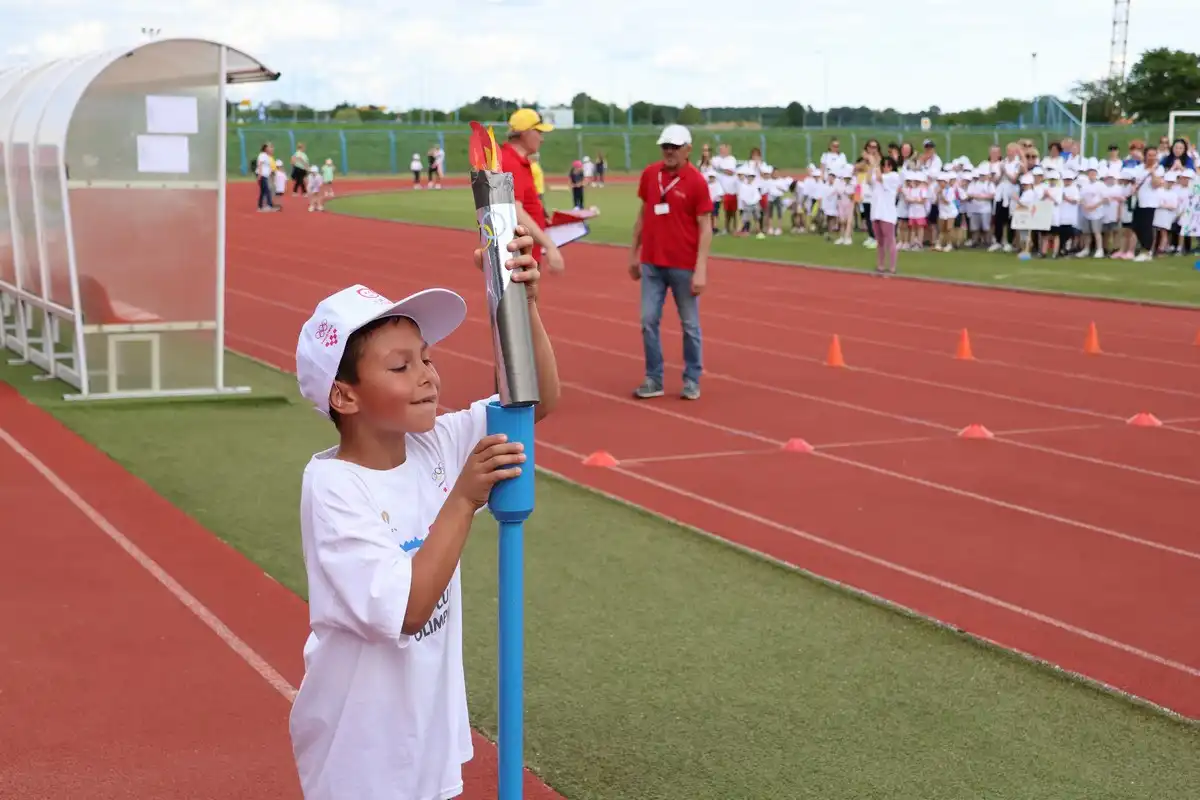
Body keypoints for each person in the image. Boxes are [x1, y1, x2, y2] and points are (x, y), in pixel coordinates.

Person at [288, 227, 560, 800]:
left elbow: (533, 402)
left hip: (426, 737)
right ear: (344, 396)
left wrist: (523, 307)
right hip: (361, 753)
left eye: (427, 359)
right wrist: (462, 498)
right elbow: (408, 610)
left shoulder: (432, 444)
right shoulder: (334, 487)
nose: (428, 376)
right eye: (401, 366)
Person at [628, 124, 713, 401]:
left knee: (690, 325)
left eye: (675, 147)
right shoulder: (651, 174)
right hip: (652, 262)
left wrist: (701, 268)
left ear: (688, 149)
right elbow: (642, 214)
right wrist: (633, 253)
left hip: (683, 265)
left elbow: (705, 227)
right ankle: (654, 378)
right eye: (665, 146)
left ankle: (692, 378)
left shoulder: (696, 181)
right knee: (647, 320)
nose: (669, 151)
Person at [499, 107, 565, 274]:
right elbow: (514, 210)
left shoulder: (518, 161)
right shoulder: (511, 163)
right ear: (525, 133)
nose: (542, 139)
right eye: (539, 132)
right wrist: (550, 246)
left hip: (523, 255)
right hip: (517, 257)